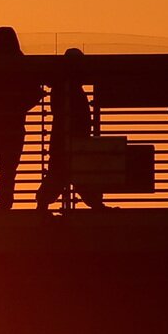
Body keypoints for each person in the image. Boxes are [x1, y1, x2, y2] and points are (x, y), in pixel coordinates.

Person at [34, 48, 109, 213]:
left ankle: (43, 203)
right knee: (77, 170)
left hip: (61, 138)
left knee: (60, 171)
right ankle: (94, 203)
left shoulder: (60, 88)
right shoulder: (71, 90)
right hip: (73, 139)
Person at [0, 26, 42, 211]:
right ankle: (4, 206)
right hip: (14, 126)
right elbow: (35, 92)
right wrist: (18, 108)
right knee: (8, 170)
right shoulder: (22, 66)